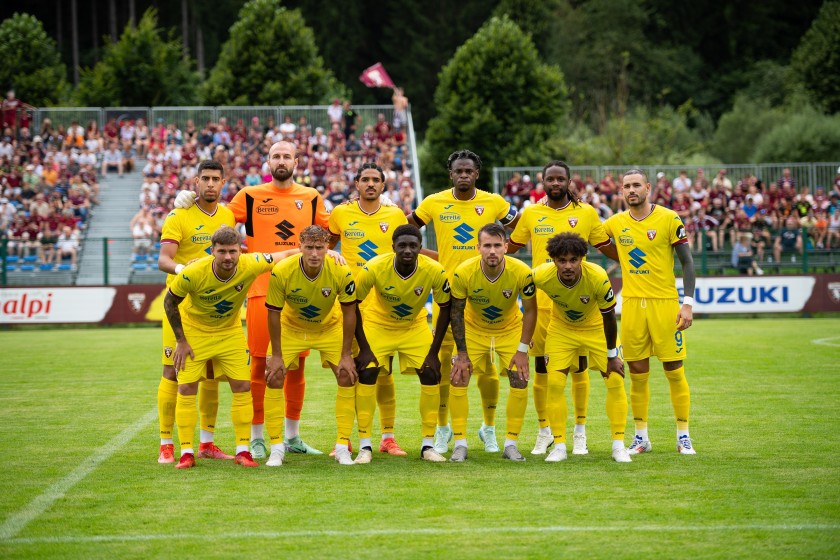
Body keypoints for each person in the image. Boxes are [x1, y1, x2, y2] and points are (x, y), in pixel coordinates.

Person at [175, 140, 330, 460]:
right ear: (268, 161)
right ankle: (258, 436)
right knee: (260, 364)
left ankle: (292, 435)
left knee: (297, 366)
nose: (281, 160)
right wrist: (186, 203)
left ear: (297, 161)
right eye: (276, 156)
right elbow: (215, 224)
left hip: (299, 291)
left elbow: (333, 231)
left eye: (287, 155)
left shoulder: (312, 197)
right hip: (261, 288)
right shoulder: (249, 195)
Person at [407, 149, 519, 454]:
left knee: (489, 368)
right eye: (458, 171)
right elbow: (405, 231)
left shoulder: (493, 202)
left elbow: (522, 227)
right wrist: (433, 258)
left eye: (469, 171)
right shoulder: (433, 202)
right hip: (447, 294)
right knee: (445, 365)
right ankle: (443, 429)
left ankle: (489, 428)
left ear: (477, 174)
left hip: (486, 292)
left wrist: (509, 254)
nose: (464, 175)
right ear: (451, 174)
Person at [508, 160, 619, 456]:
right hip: (542, 307)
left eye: (561, 179)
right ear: (543, 182)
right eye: (550, 179)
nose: (555, 183)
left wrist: (637, 257)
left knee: (580, 368)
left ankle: (579, 431)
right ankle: (545, 431)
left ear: (569, 182)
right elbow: (511, 248)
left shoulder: (586, 213)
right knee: (543, 370)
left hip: (579, 307)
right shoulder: (531, 213)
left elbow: (606, 245)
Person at [164, 226, 283, 469]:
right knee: (186, 387)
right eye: (222, 252)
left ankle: (243, 451)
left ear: (241, 250)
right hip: (195, 332)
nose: (228, 257)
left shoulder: (251, 263)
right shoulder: (193, 272)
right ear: (212, 251)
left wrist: (323, 252)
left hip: (230, 333)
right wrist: (181, 340)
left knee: (242, 385)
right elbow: (169, 302)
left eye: (232, 251)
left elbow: (284, 255)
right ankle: (186, 452)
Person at [603, 169, 697, 455]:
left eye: (636, 185)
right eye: (626, 186)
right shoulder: (615, 223)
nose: (631, 190)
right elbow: (591, 236)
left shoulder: (669, 218)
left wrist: (688, 303)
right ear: (621, 191)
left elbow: (688, 263)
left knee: (674, 371)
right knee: (637, 372)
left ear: (648, 188)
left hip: (665, 304)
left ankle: (683, 435)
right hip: (631, 305)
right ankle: (641, 436)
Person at [155, 160, 236, 464]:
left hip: (215, 307)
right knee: (172, 372)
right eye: (206, 178)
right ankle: (166, 443)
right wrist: (181, 269)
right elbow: (164, 259)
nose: (211, 184)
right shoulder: (179, 215)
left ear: (223, 182)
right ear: (196, 181)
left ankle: (207, 443)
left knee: (211, 375)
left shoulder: (227, 215)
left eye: (216, 179)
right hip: (181, 305)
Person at [328, 163, 410, 456]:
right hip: (351, 302)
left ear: (384, 186)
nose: (371, 184)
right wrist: (331, 254)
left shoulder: (395, 214)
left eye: (376, 180)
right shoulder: (340, 214)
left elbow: (407, 250)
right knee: (347, 370)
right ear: (357, 184)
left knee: (384, 373)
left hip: (384, 302)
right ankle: (345, 438)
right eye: (366, 179)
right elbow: (327, 245)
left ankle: (388, 437)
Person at [353, 224, 453, 462]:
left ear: (420, 248)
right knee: (367, 373)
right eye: (402, 246)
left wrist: (433, 351)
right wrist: (364, 348)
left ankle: (428, 446)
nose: (407, 250)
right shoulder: (375, 267)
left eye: (413, 246)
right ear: (393, 248)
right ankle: (365, 446)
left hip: (414, 327)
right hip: (379, 325)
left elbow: (446, 308)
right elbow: (352, 304)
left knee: (431, 373)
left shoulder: (434, 270)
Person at [264, 226, 358, 466]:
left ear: (328, 247)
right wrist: (275, 355)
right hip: (292, 328)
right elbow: (273, 313)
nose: (314, 253)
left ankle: (341, 446)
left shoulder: (340, 270)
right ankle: (276, 448)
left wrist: (347, 354)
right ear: (300, 246)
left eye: (319, 247)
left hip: (329, 327)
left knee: (347, 375)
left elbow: (350, 313)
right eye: (309, 247)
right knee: (273, 375)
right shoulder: (282, 270)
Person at [532, 232, 629, 463]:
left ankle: (618, 445)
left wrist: (612, 355)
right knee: (554, 384)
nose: (568, 266)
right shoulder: (541, 275)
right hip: (561, 330)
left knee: (615, 380)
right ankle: (559, 446)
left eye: (573, 260)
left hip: (596, 328)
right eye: (562, 260)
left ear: (582, 259)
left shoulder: (597, 276)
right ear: (553, 260)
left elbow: (609, 317)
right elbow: (514, 281)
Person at [448, 223, 537, 461]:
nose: (492, 251)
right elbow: (455, 313)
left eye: (497, 245)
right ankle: (460, 444)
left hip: (509, 330)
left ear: (506, 247)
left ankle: (511, 444)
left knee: (520, 379)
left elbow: (530, 311)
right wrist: (462, 353)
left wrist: (522, 350)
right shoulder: (463, 272)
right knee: (458, 377)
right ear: (478, 248)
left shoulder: (521, 271)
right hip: (474, 330)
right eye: (487, 245)